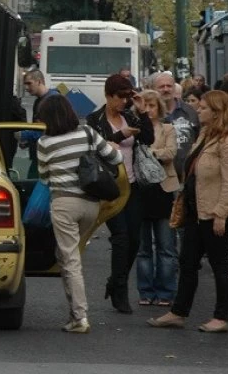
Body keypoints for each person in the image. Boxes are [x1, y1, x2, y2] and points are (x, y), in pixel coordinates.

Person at [147, 90, 228, 333]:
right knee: (188, 261)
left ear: (216, 112)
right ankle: (178, 312)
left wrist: (221, 214)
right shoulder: (204, 135)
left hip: (216, 211)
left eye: (203, 107)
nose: (198, 110)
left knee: (219, 263)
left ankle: (222, 317)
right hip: (197, 209)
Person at [36, 93, 124, 334]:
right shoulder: (87, 133)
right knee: (67, 256)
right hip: (91, 204)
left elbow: (44, 178)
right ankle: (75, 313)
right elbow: (116, 158)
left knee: (70, 259)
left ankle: (79, 316)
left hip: (64, 204)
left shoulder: (44, 143)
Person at [86, 73, 154, 313]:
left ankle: (115, 281)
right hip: (109, 186)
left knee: (135, 238)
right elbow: (94, 148)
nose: (125, 101)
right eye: (121, 97)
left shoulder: (130, 115)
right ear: (109, 95)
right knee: (121, 237)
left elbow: (148, 138)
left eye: (128, 96)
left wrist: (142, 110)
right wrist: (118, 136)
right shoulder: (94, 119)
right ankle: (120, 289)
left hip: (132, 185)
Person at [135, 89, 180, 307]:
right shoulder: (136, 129)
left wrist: (151, 153)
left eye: (153, 106)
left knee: (166, 246)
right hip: (142, 191)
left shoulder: (168, 128)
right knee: (143, 248)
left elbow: (171, 153)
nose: (149, 110)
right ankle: (145, 290)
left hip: (163, 190)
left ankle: (166, 291)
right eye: (146, 106)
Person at [19, 70, 59, 176]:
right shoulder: (38, 101)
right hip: (40, 155)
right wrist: (28, 140)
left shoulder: (52, 100)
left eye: (29, 83)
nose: (26, 88)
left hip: (49, 156)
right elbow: (38, 128)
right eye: (25, 84)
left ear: (39, 81)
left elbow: (53, 131)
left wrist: (25, 135)